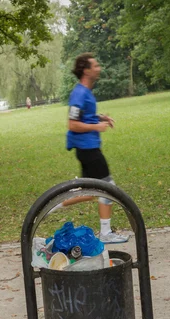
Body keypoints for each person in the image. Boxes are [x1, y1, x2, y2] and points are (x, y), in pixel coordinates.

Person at [57, 53, 129, 244]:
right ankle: (105, 234)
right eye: (95, 65)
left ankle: (55, 203)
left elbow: (84, 117)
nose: (99, 68)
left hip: (88, 148)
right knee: (108, 188)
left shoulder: (85, 92)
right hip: (88, 150)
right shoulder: (79, 93)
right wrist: (97, 127)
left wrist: (99, 118)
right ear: (86, 70)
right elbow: (73, 124)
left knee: (90, 192)